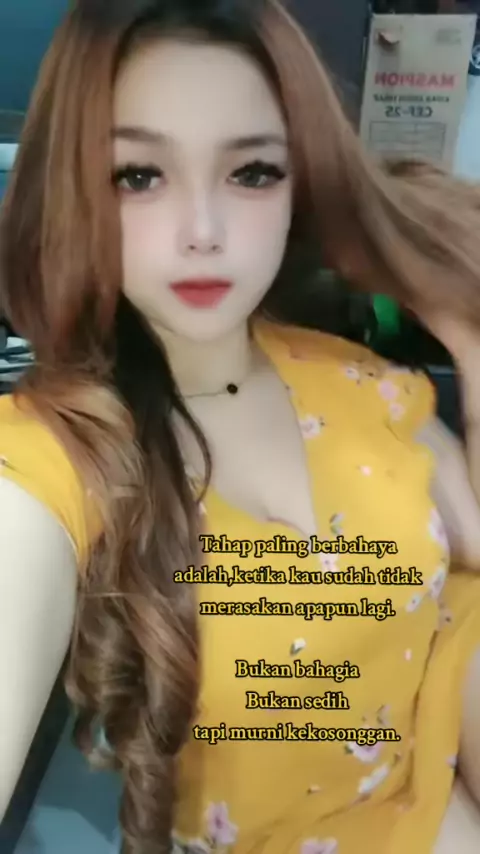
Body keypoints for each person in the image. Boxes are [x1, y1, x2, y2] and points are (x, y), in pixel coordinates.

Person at [2, 1, 480, 852]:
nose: (204, 233)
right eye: (138, 175)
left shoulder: (363, 385)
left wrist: (470, 338)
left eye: (252, 172)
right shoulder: (52, 454)